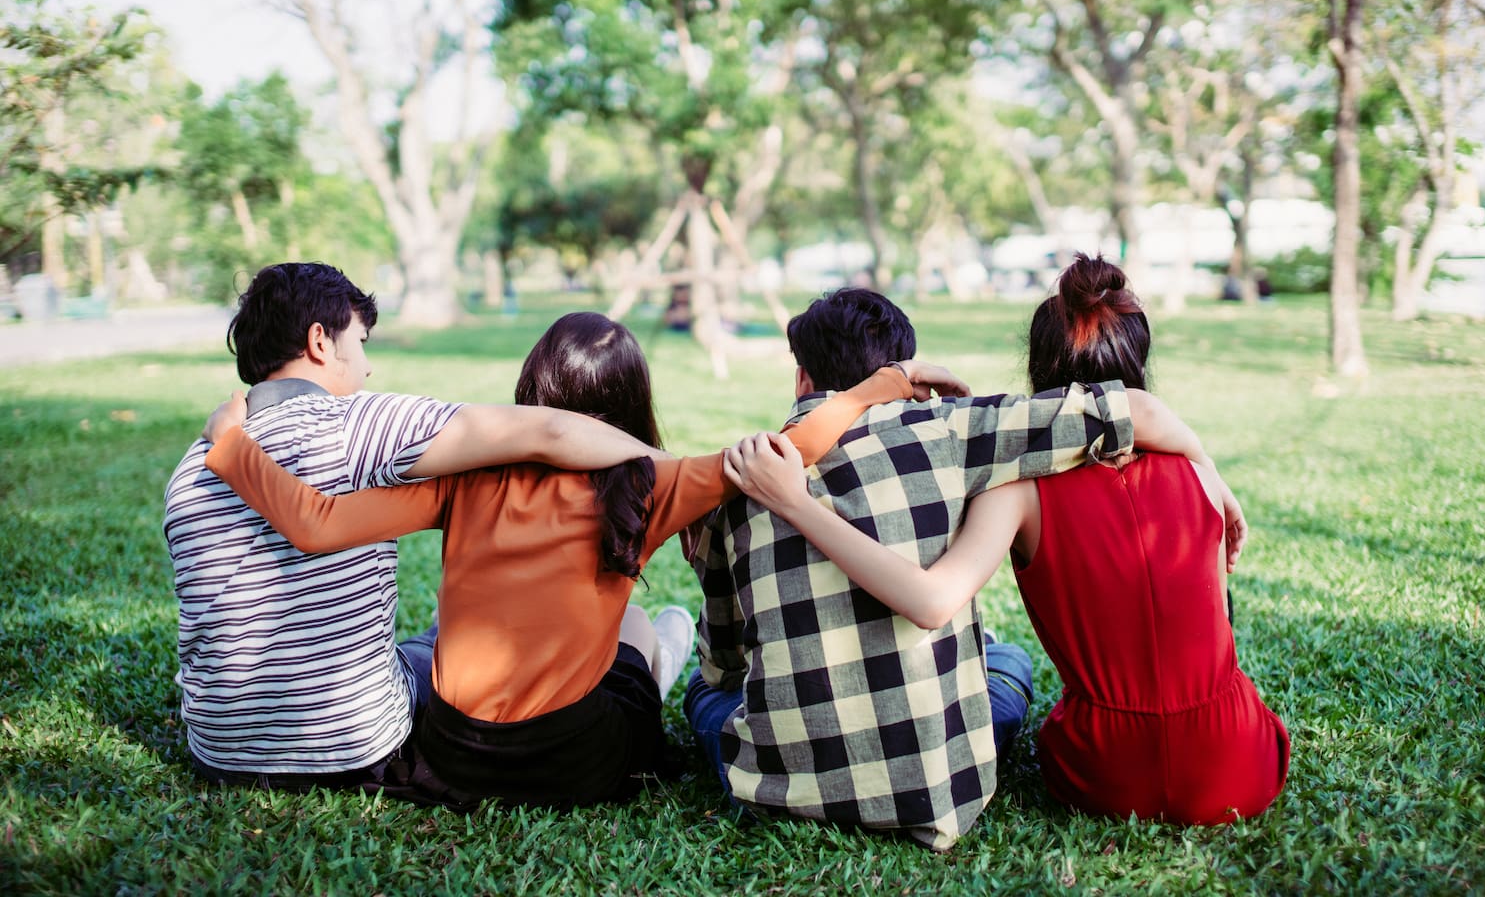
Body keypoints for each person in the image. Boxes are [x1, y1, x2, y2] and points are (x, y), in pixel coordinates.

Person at [197, 311, 966, 810]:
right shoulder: (651, 479)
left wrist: (232, 447)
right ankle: (660, 649)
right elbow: (787, 449)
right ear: (631, 400)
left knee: (453, 642)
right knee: (640, 627)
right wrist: (882, 386)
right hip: (579, 764)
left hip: (454, 759)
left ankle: (644, 645)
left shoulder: (466, 477)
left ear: (533, 388)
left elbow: (316, 523)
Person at [729, 256, 1288, 826]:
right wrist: (1211, 473)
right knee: (1010, 663)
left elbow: (928, 601)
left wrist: (797, 503)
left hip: (1104, 772)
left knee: (725, 696)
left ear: (1038, 372)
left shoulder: (1017, 492)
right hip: (1237, 762)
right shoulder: (1197, 478)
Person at [163, 263, 671, 792]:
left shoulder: (192, 465)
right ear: (320, 341)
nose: (367, 370)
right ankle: (661, 648)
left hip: (219, 751)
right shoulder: (357, 423)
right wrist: (670, 469)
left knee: (433, 635)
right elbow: (550, 431)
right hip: (352, 745)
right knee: (453, 648)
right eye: (360, 343)